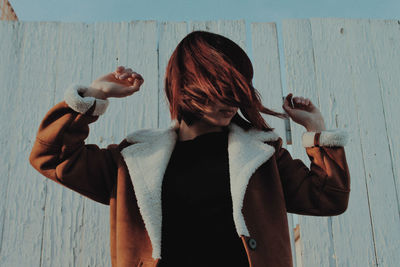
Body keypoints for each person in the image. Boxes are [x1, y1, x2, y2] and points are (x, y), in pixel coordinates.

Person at [29, 30, 350, 267]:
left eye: (237, 90)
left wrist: (316, 130)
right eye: (219, 89)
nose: (229, 101)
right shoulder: (132, 161)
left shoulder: (263, 155)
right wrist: (95, 94)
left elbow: (328, 197)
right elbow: (52, 156)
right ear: (187, 86)